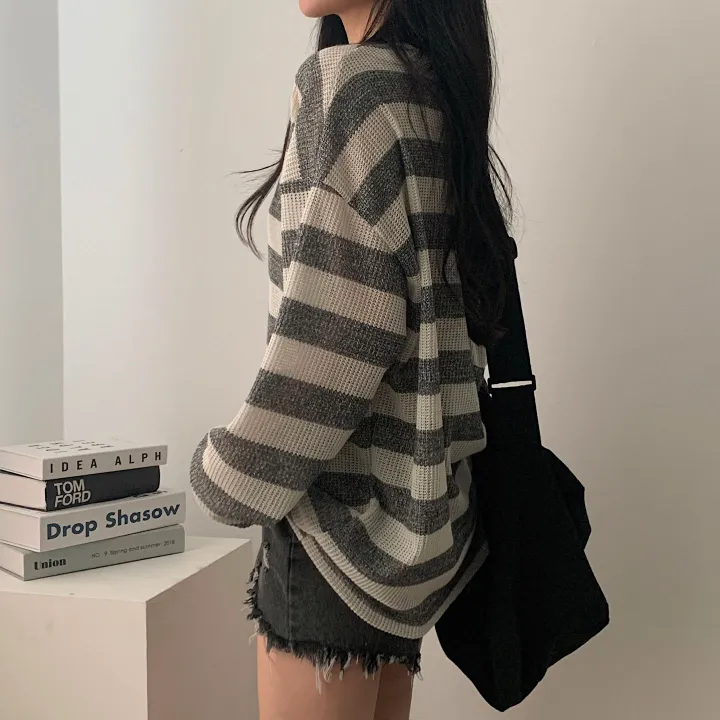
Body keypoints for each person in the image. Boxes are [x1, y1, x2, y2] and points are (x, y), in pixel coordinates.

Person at [190, 1, 515, 718]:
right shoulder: (430, 89)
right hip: (414, 529)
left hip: (337, 531)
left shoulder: (345, 86)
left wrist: (227, 473)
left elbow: (338, 335)